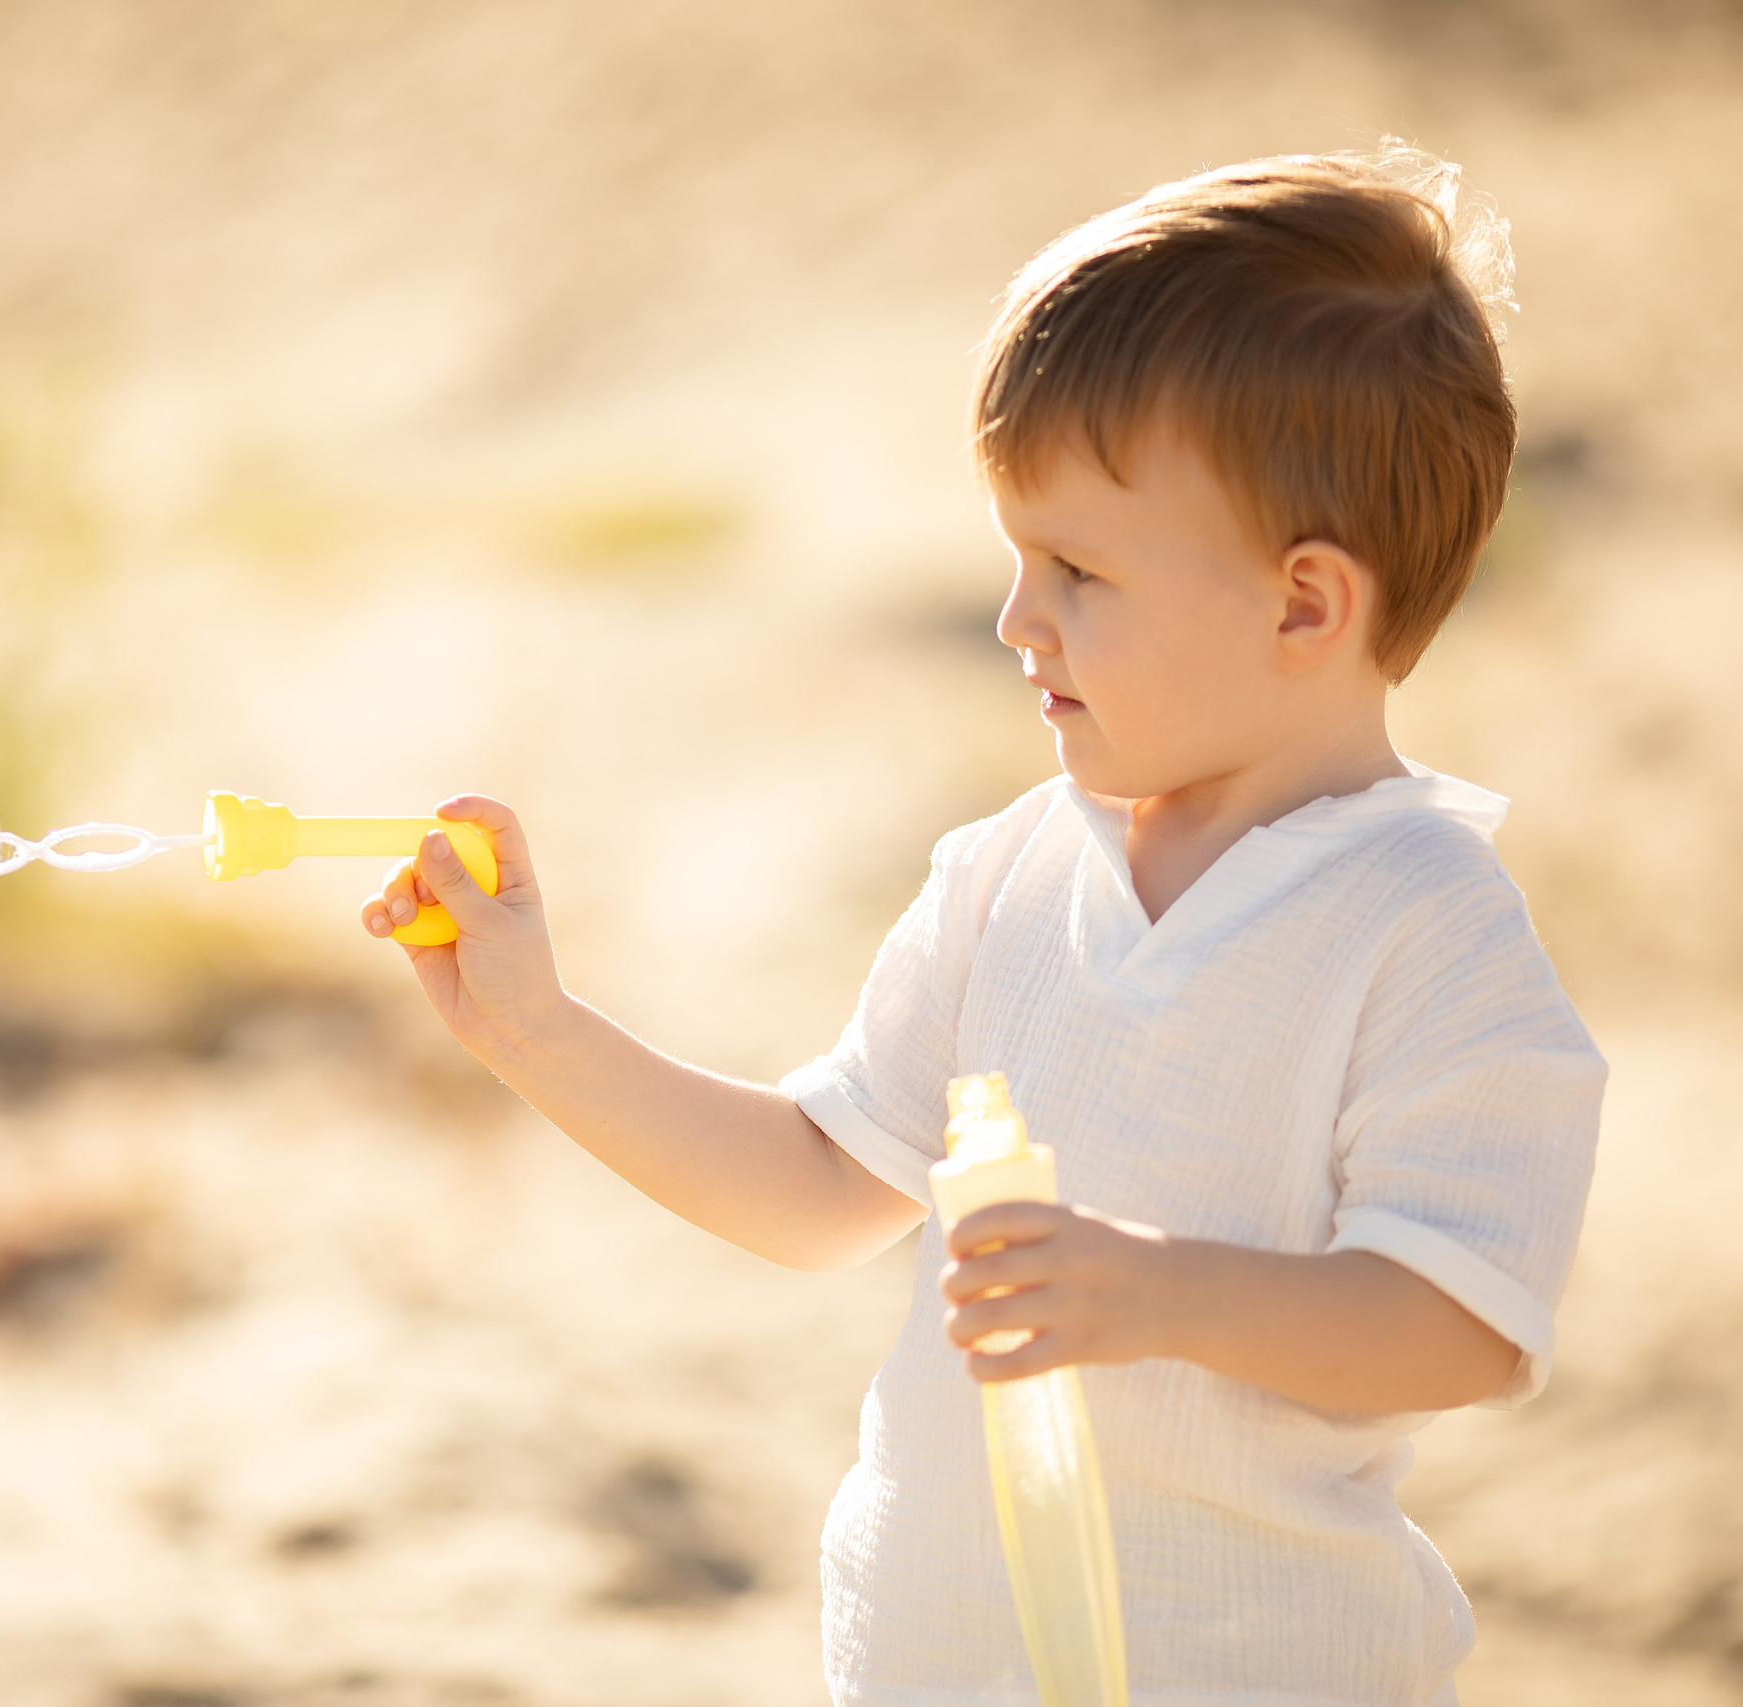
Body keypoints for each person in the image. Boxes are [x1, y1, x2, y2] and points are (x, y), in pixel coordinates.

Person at [358, 147, 1604, 1707]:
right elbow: (821, 1186)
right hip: (938, 1663)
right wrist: (533, 1029)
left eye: (1077, 570)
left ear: (1303, 607)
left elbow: (1460, 1323)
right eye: (1019, 557)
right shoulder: (1013, 870)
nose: (1019, 619)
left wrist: (1157, 1293)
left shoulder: (1422, 925)